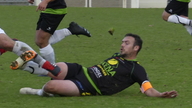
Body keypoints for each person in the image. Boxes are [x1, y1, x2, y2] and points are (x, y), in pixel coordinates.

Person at [15, 33, 178, 98]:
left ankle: (37, 88)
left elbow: (147, 88)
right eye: (122, 42)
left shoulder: (137, 69)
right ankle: (32, 63)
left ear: (136, 48)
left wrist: (160, 95)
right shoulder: (117, 56)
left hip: (88, 86)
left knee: (50, 86)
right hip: (82, 70)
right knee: (56, 68)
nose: (122, 45)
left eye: (126, 43)